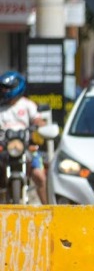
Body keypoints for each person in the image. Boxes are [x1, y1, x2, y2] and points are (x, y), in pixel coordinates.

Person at [0, 71, 48, 204]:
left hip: (25, 147)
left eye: (7, 88)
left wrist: (40, 124)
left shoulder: (27, 105)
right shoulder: (2, 108)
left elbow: (37, 119)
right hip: (5, 149)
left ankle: (47, 207)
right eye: (3, 88)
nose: (5, 91)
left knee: (39, 175)